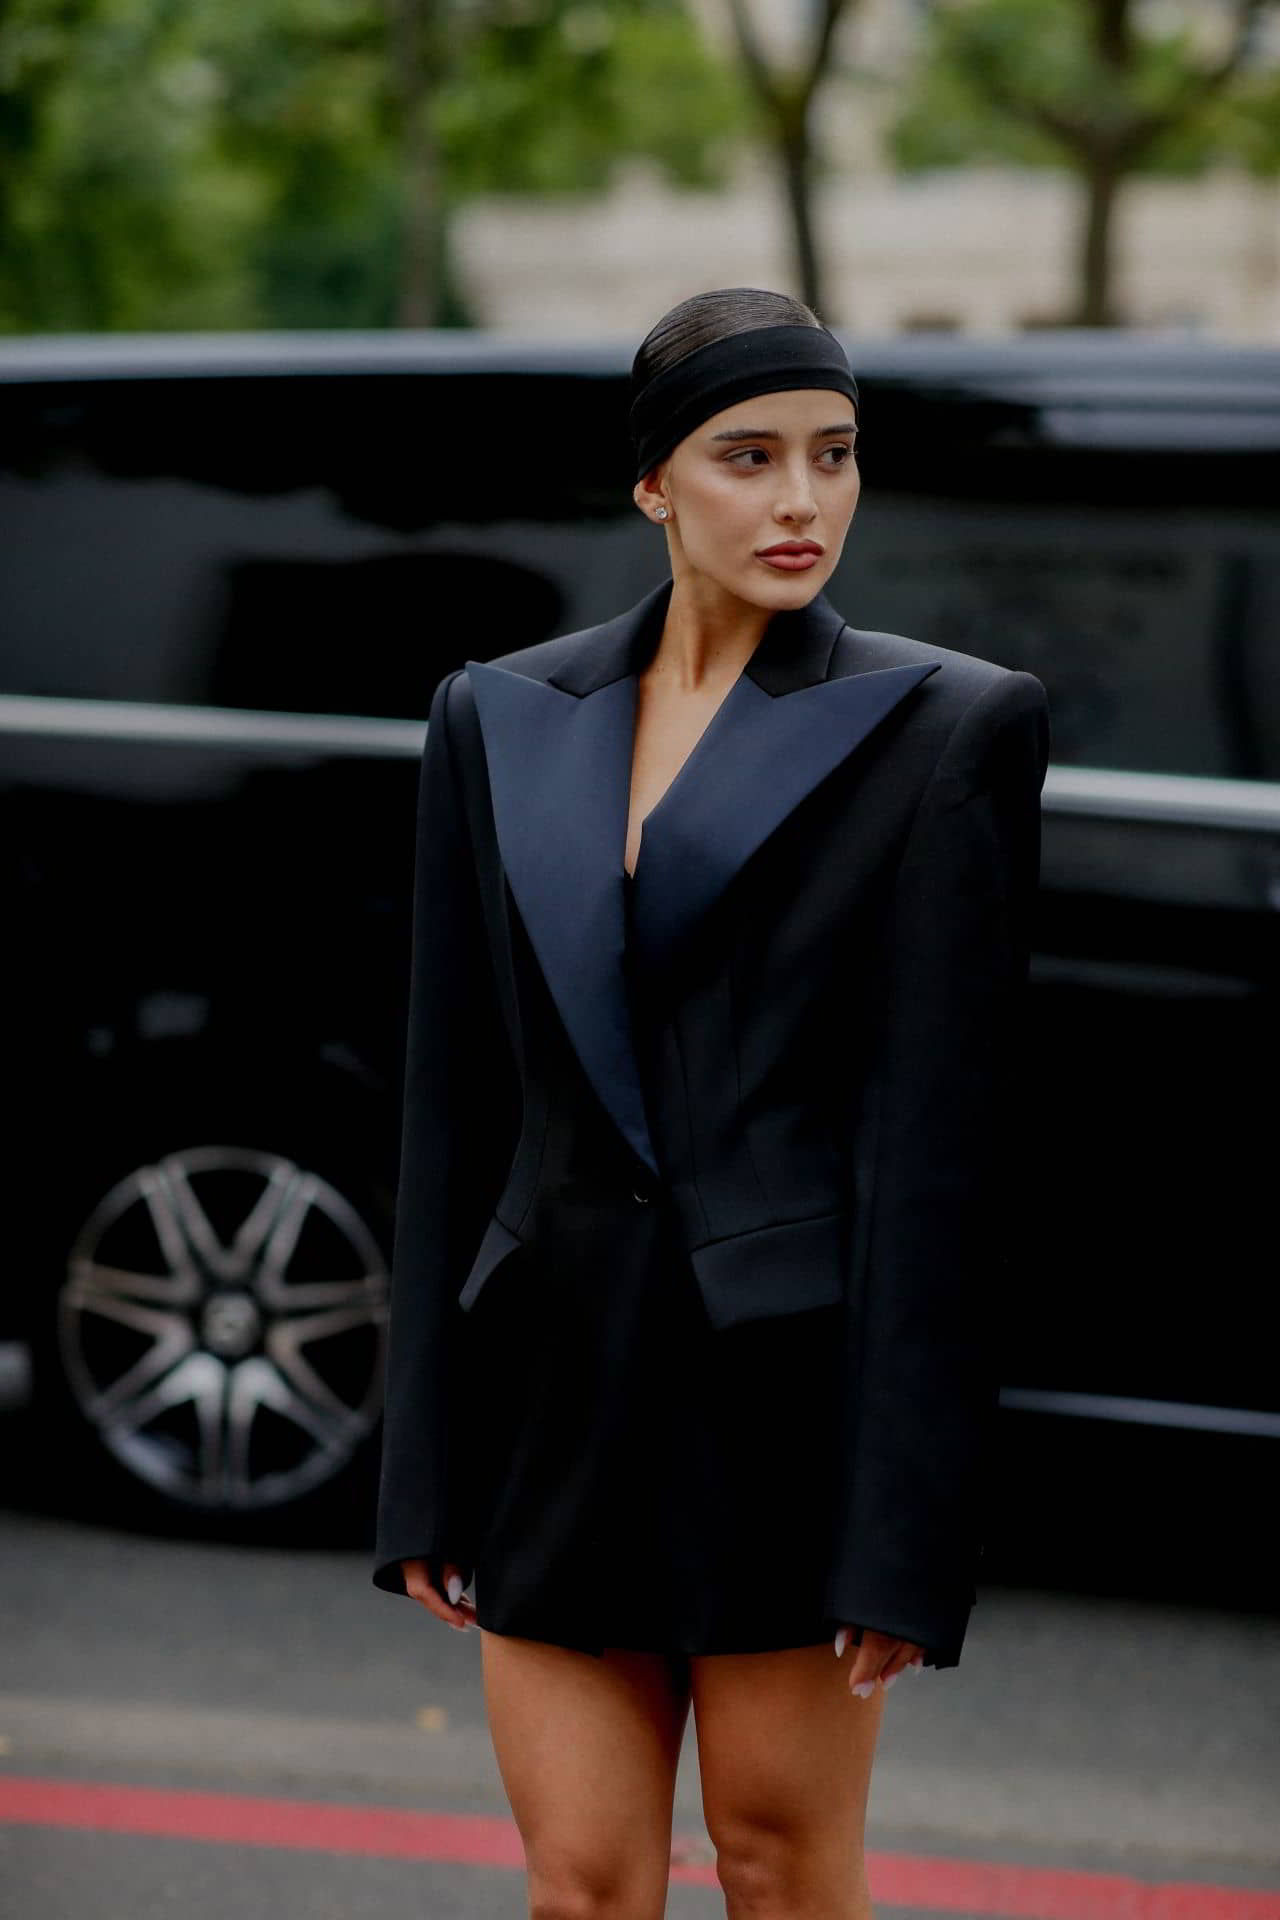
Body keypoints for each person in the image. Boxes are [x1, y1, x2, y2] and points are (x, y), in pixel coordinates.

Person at [372, 286, 1050, 1919]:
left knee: (780, 1865)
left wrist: (903, 1532)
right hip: (558, 1395)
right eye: (749, 456)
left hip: (785, 1409)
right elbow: (450, 1106)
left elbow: (937, 1162)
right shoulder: (498, 713)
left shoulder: (946, 724)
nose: (803, 499)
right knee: (583, 1887)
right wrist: (426, 1471)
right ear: (655, 486)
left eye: (835, 454)